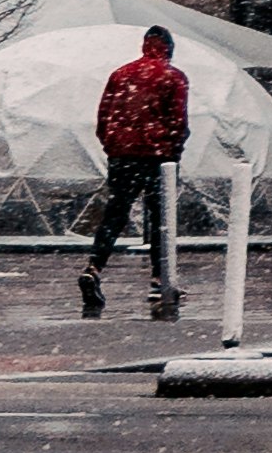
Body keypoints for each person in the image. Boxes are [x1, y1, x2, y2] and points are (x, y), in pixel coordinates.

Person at [79, 23, 191, 317]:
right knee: (161, 220)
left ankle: (93, 268)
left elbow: (104, 117)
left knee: (114, 215)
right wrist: (172, 152)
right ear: (168, 47)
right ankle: (159, 280)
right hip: (157, 158)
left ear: (145, 45)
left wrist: (114, 148)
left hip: (123, 156)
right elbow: (178, 122)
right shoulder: (173, 77)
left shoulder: (120, 74)